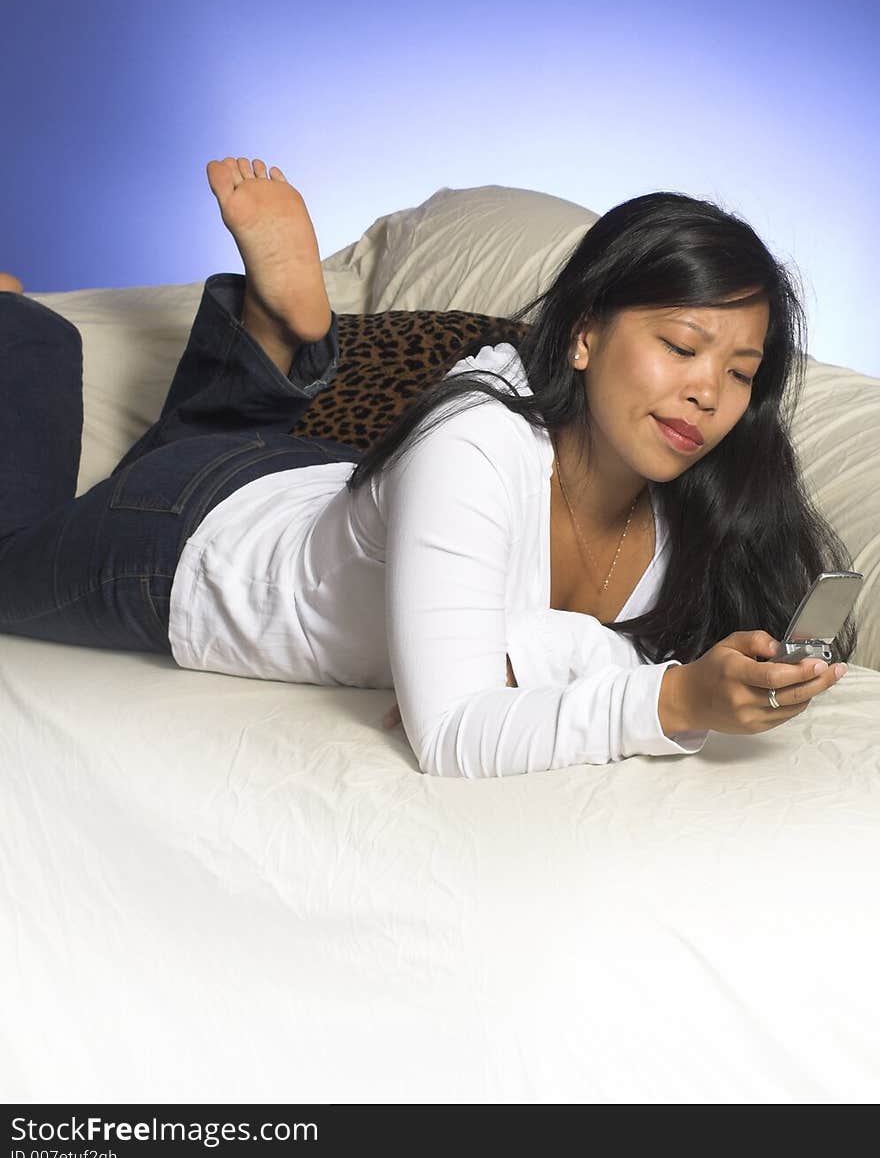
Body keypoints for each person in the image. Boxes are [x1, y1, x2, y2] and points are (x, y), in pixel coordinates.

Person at [0, 160, 856, 779]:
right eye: (681, 346)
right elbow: (450, 733)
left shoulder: (686, 505)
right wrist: (670, 701)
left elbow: (562, 646)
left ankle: (271, 331)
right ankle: (23, 332)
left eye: (741, 373)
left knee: (185, 444)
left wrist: (542, 653)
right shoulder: (475, 442)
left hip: (313, 481)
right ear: (586, 335)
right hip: (186, 546)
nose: (709, 393)